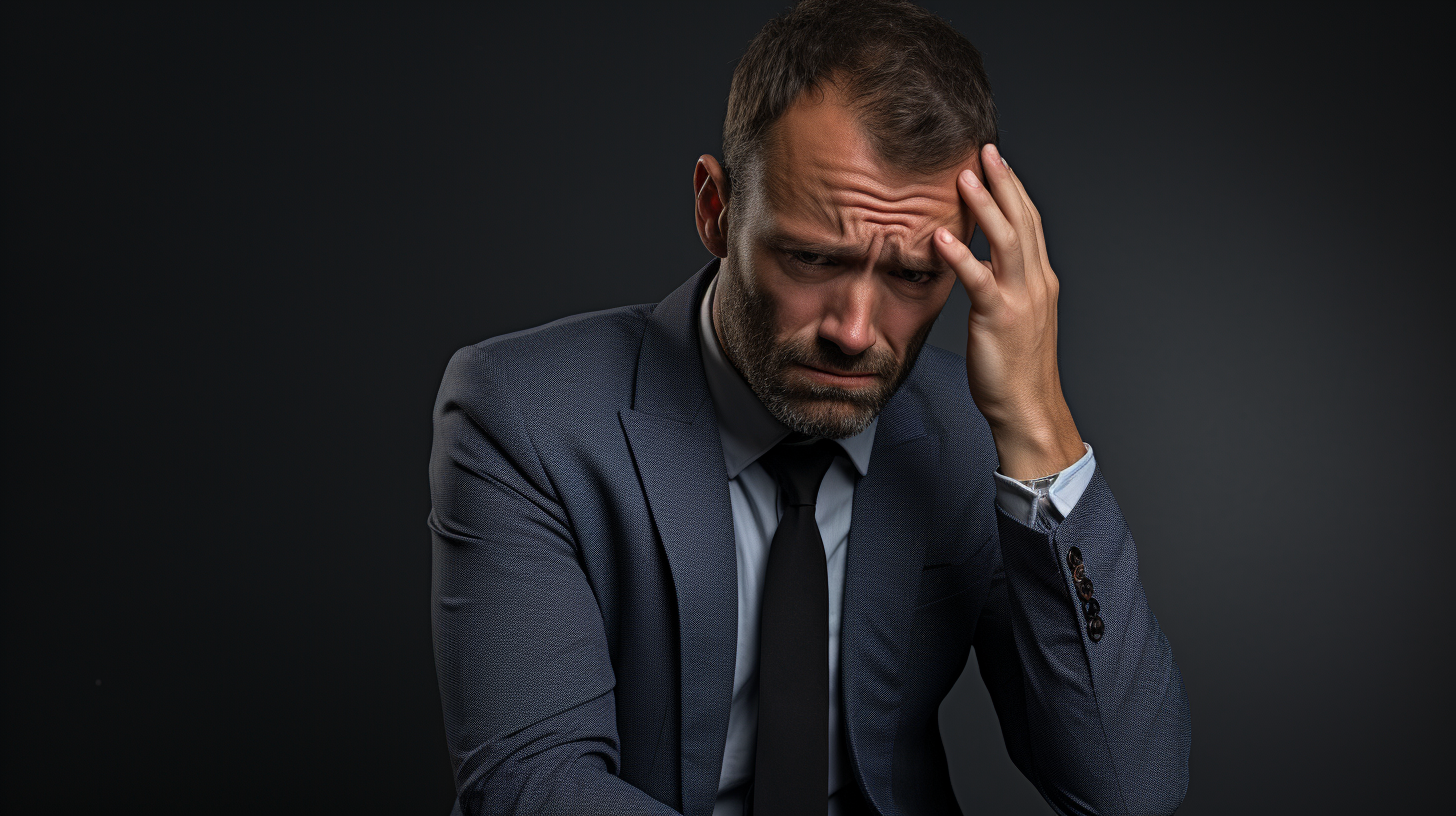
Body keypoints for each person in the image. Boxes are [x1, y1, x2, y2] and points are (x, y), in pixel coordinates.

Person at [428, 1, 1191, 814]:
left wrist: (1038, 429)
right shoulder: (526, 414)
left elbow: (1129, 791)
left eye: (912, 276)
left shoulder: (976, 439)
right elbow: (534, 785)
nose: (855, 332)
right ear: (715, 211)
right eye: (812, 258)